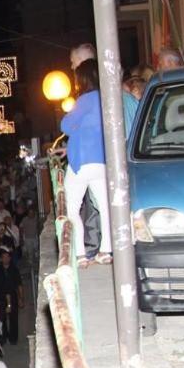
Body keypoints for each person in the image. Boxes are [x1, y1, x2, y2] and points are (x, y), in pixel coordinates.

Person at [62, 58, 112, 267]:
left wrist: (76, 125)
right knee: (105, 207)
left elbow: (65, 125)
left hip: (81, 161)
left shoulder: (84, 100)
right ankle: (106, 250)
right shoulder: (107, 97)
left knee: (71, 208)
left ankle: (80, 254)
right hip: (102, 159)